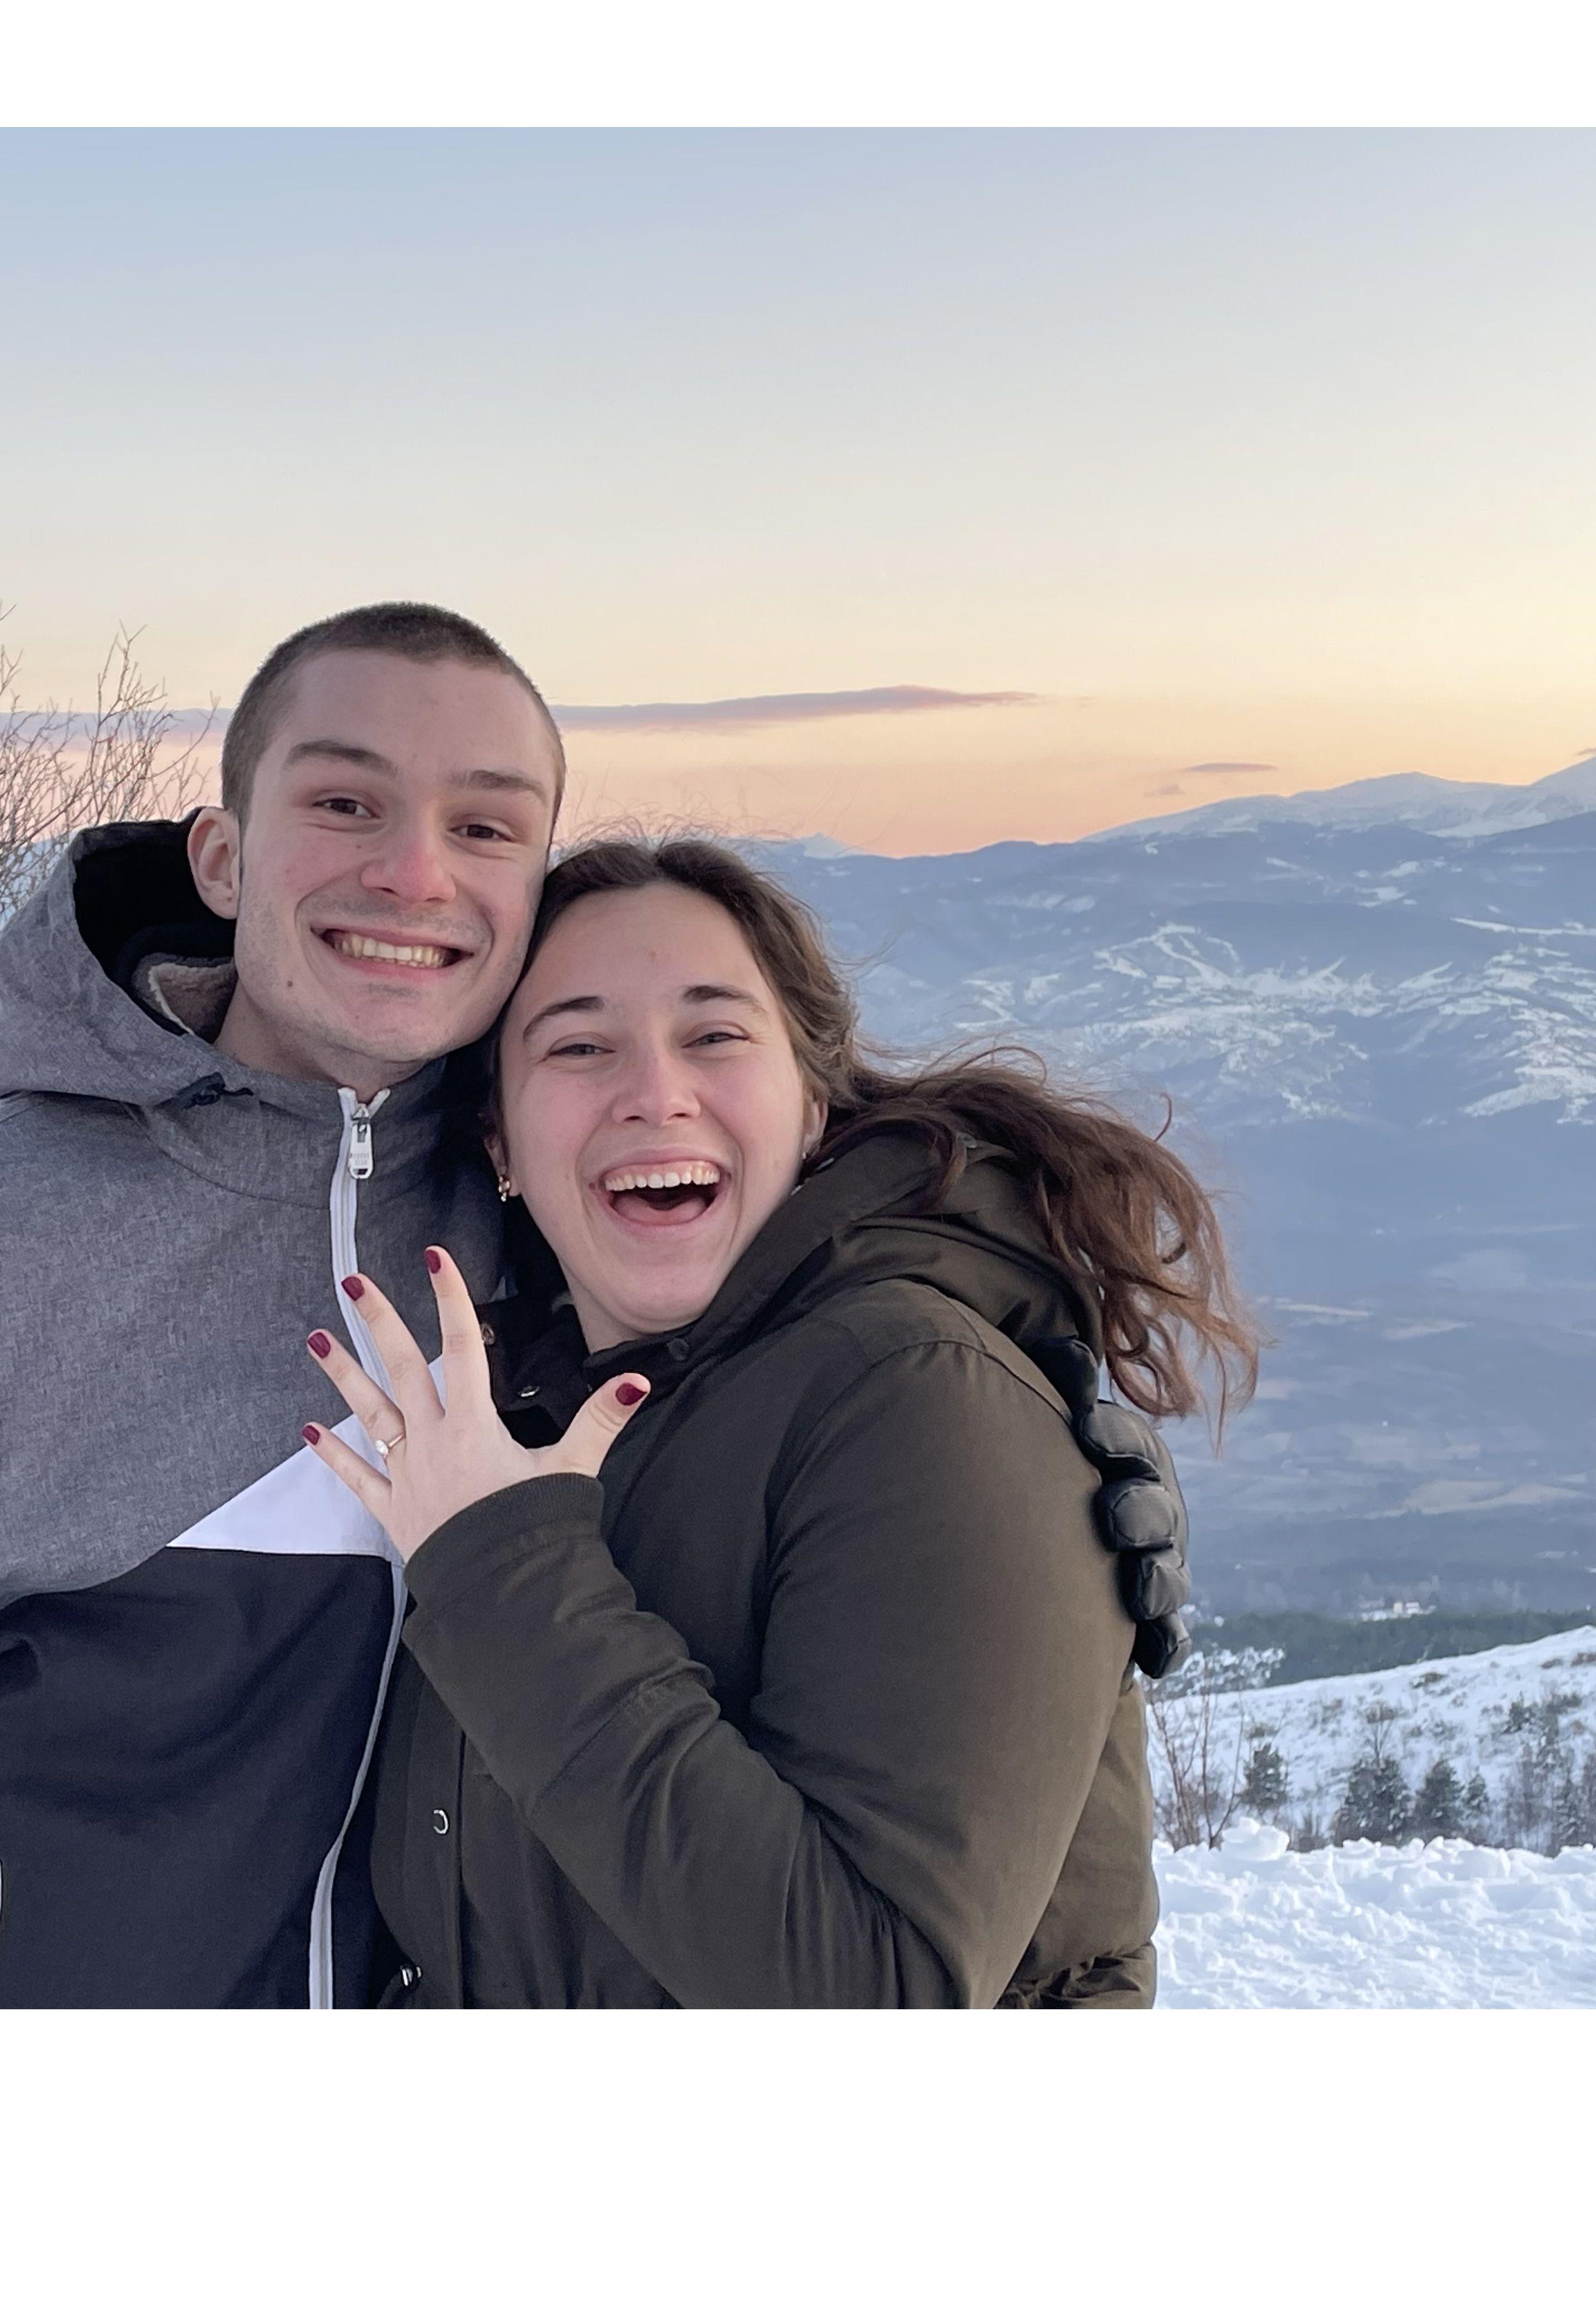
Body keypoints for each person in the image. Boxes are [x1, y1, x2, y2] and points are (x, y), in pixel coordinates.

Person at [0, 603, 565, 2006]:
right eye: (344, 802)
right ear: (223, 859)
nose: (415, 871)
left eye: (484, 827)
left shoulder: (573, 1240)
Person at [303, 837, 1256, 2008]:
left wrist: (503, 1577)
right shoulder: (517, 1426)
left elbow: (873, 1998)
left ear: (813, 1104)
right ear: (499, 1139)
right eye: (580, 1046)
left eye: (714, 1035)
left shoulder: (911, 1394)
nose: (656, 1093)